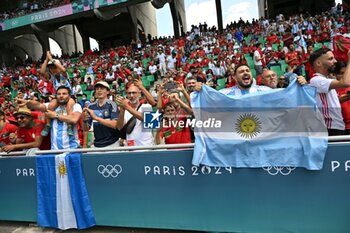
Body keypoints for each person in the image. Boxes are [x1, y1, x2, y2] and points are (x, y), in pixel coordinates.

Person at [16, 86, 82, 150]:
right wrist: (28, 102)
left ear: (69, 96)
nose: (61, 96)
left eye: (64, 94)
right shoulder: (51, 106)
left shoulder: (76, 106)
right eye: (59, 94)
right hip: (54, 150)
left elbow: (74, 119)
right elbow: (38, 105)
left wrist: (55, 115)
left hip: (72, 148)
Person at [309, 48, 350, 135]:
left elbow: (334, 102)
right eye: (330, 59)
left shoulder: (326, 80)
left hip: (337, 126)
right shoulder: (316, 80)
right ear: (319, 63)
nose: (335, 61)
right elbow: (345, 83)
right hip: (330, 128)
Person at [82, 81, 121, 148]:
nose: (99, 90)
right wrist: (84, 121)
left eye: (102, 88)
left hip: (112, 144)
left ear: (108, 92)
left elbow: (115, 125)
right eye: (97, 89)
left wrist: (96, 118)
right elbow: (86, 129)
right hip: (97, 144)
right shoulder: (91, 106)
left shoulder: (112, 105)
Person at [334, 61, 350, 135]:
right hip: (341, 128)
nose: (344, 76)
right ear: (334, 74)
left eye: (345, 73)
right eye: (341, 73)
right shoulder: (331, 89)